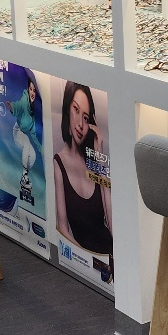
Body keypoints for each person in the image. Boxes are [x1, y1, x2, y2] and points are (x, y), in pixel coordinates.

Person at [52, 81, 111, 257]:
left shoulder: (93, 163)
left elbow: (111, 222)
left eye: (86, 118)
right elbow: (63, 228)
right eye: (76, 110)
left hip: (111, 254)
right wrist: (91, 260)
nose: (80, 124)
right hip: (87, 261)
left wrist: (100, 157)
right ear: (67, 109)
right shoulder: (59, 162)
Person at [4, 78, 40, 204]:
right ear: (28, 90)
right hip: (17, 131)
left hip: (24, 134)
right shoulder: (24, 100)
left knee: (33, 156)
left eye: (34, 90)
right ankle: (24, 175)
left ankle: (24, 176)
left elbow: (33, 133)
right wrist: (12, 107)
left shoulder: (33, 110)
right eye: (31, 89)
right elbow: (17, 106)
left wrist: (40, 148)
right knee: (26, 144)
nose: (32, 93)